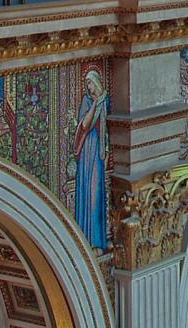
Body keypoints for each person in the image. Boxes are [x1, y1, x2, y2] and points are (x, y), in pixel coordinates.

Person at [72, 70, 108, 249]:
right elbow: (85, 125)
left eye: (90, 83)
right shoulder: (87, 101)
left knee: (97, 193)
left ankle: (98, 241)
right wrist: (95, 103)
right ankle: (86, 239)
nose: (88, 87)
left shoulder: (105, 101)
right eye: (86, 84)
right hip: (88, 150)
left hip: (99, 152)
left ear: (97, 82)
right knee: (89, 191)